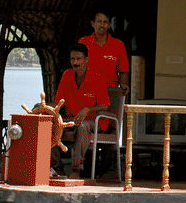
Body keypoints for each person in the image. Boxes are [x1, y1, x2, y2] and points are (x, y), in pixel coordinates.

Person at [54, 43, 110, 177]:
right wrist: (41, 108)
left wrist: (87, 109)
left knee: (83, 128)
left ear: (86, 60)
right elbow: (58, 102)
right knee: (49, 126)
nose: (75, 62)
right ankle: (56, 168)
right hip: (70, 119)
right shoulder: (67, 75)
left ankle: (76, 169)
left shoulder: (98, 76)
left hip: (93, 121)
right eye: (73, 59)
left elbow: (105, 105)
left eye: (79, 59)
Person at [79, 11, 130, 97]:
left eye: (105, 22)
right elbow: (77, 68)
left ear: (110, 25)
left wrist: (123, 85)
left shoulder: (118, 45)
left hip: (110, 93)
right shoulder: (83, 42)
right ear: (92, 23)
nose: (102, 25)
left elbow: (123, 70)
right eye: (99, 22)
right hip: (88, 92)